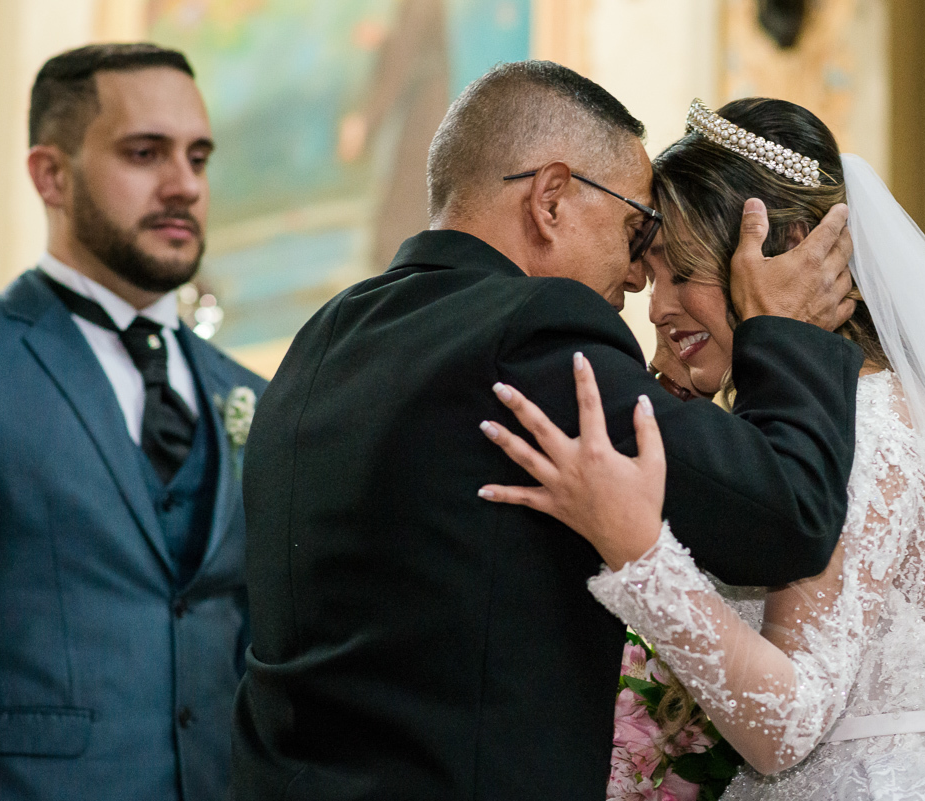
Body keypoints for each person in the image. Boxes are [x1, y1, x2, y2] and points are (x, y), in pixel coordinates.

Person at [232, 61, 860, 800]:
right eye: (636, 230)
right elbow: (785, 512)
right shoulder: (531, 335)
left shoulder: (323, 339)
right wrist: (784, 330)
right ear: (552, 199)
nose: (635, 280)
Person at [479, 98, 925, 799]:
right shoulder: (911, 409)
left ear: (786, 252)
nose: (655, 305)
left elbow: (785, 727)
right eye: (652, 276)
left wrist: (638, 552)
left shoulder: (861, 426)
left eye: (682, 271)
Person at [0, 44, 267, 800]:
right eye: (146, 153)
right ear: (51, 174)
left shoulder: (251, 396)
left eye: (198, 158)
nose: (184, 185)